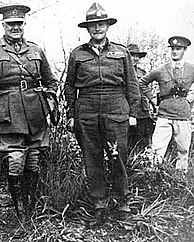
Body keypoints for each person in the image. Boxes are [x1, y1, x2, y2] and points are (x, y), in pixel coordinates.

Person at [0, 5, 57, 223]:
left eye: (19, 24)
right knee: (16, 159)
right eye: (11, 24)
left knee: (34, 157)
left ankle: (30, 205)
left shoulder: (36, 50)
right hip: (8, 113)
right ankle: (19, 209)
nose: (15, 28)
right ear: (3, 25)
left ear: (24, 25)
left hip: (35, 112)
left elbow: (51, 81)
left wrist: (48, 99)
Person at [64, 2, 140, 223]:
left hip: (115, 106)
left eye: (101, 24)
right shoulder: (77, 54)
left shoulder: (121, 52)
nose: (97, 28)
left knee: (118, 156)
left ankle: (123, 203)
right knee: (92, 157)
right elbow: (69, 86)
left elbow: (132, 84)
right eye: (93, 25)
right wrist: (71, 113)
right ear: (87, 29)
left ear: (107, 26)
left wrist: (133, 112)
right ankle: (99, 204)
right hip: (86, 108)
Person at [139, 36, 194, 177]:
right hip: (164, 115)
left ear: (185, 50)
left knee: (183, 150)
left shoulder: (191, 69)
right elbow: (142, 83)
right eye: (173, 49)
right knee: (157, 149)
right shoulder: (161, 70)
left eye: (179, 49)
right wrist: (153, 99)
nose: (175, 52)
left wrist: (190, 99)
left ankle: (180, 180)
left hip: (183, 114)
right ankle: (152, 178)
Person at [127, 44, 155, 151]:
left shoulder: (142, 73)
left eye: (137, 56)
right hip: (127, 109)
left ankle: (142, 162)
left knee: (144, 139)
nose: (135, 58)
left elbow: (146, 90)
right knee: (127, 140)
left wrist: (153, 104)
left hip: (142, 110)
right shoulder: (120, 72)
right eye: (132, 55)